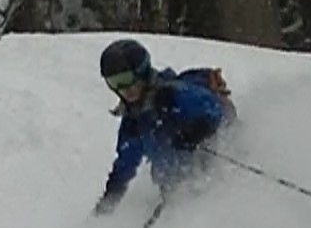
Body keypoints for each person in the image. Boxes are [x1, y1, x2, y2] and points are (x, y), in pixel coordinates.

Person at [93, 38, 230, 217]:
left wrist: (196, 131)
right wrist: (107, 202)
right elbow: (125, 163)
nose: (124, 88)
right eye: (114, 82)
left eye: (126, 79)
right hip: (175, 190)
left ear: (141, 71)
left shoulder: (172, 95)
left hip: (212, 170)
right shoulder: (133, 121)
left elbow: (215, 109)